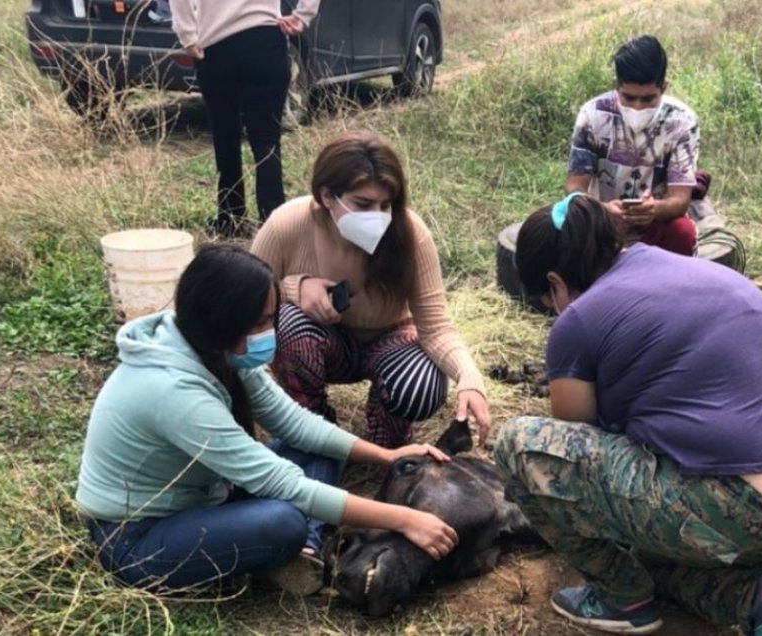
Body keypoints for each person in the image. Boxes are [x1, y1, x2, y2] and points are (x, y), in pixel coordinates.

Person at [493, 193, 762, 635]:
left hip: (731, 505)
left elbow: (571, 442)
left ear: (556, 282)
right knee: (655, 546)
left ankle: (621, 599)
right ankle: (758, 598)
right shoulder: (686, 268)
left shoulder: (576, 321)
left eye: (547, 299)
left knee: (518, 446)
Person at [75, 244, 459, 595]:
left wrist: (384, 456)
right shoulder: (173, 392)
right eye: (258, 322)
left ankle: (301, 551)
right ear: (223, 321)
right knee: (281, 522)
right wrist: (405, 519)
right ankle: (288, 544)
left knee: (320, 445)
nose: (268, 333)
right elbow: (281, 483)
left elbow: (293, 422)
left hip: (207, 493)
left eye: (269, 319)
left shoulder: (217, 348)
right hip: (138, 536)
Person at [250, 131, 491, 450]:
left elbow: (436, 328)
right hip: (324, 341)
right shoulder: (286, 225)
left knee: (420, 386)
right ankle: (313, 427)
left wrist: (469, 378)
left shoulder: (411, 235)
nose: (376, 216)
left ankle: (386, 436)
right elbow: (247, 297)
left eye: (385, 205)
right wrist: (294, 288)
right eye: (362, 204)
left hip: (389, 341)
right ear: (326, 196)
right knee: (289, 322)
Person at [565, 34, 743, 269]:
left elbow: (680, 200)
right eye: (628, 98)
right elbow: (575, 187)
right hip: (603, 222)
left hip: (654, 223)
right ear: (616, 86)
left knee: (683, 232)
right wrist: (603, 211)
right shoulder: (592, 115)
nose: (637, 107)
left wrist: (654, 209)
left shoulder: (681, 121)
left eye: (648, 99)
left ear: (664, 88)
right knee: (564, 225)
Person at [169, 0, 318, 237]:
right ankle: (273, 223)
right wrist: (302, 15)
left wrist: (187, 35)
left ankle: (230, 218)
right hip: (265, 41)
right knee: (266, 139)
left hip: (216, 46)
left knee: (224, 135)